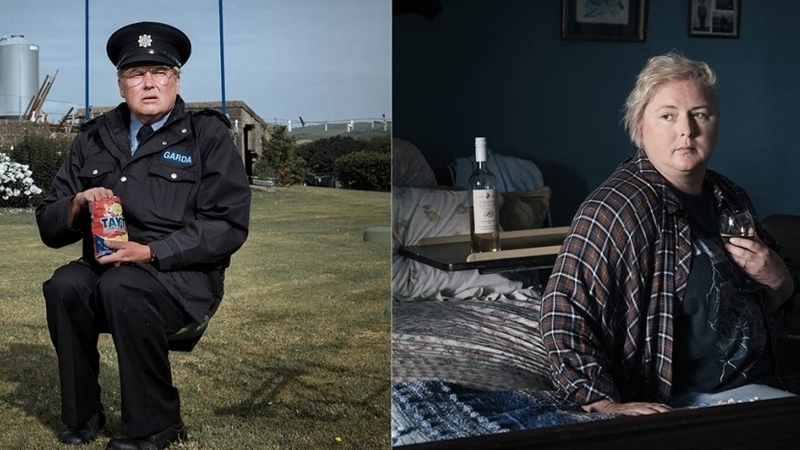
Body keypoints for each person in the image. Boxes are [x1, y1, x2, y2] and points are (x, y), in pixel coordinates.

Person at [540, 52, 798, 416]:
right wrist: (604, 404)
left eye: (700, 114)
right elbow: (562, 313)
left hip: (766, 380)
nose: (687, 130)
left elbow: (766, 303)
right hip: (689, 400)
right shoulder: (618, 208)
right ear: (639, 127)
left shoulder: (729, 196)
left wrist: (780, 279)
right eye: (668, 116)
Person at [35, 21, 251, 449]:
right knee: (65, 285)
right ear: (121, 85)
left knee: (123, 286)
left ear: (176, 81)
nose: (149, 83)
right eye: (136, 74)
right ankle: (83, 415)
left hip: (179, 278)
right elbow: (48, 222)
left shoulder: (206, 135)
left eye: (160, 73)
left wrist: (151, 251)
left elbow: (228, 224)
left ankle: (158, 425)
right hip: (107, 269)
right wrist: (75, 204)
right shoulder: (94, 137)